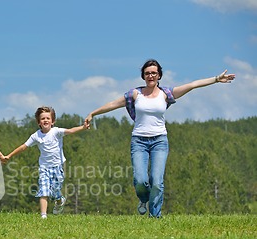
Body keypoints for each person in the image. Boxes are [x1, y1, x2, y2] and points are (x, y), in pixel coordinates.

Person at [84, 59, 235, 217]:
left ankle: (154, 216)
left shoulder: (166, 93)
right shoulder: (135, 94)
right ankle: (143, 198)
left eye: (154, 73)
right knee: (140, 180)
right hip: (139, 142)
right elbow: (113, 103)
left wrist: (216, 79)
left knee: (157, 181)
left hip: (159, 142)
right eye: (147, 73)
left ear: (159, 75)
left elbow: (193, 85)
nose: (150, 75)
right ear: (143, 76)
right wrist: (93, 113)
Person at [4, 106, 86, 219]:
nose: (45, 120)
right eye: (42, 119)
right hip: (44, 168)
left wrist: (83, 127)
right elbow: (23, 147)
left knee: (55, 191)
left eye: (48, 118)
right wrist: (9, 155)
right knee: (44, 190)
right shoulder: (36, 136)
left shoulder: (56, 132)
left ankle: (59, 200)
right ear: (38, 122)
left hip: (57, 167)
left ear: (53, 121)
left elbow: (71, 131)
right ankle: (43, 216)